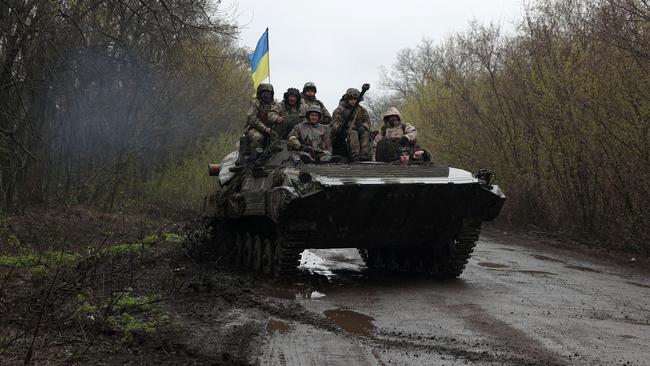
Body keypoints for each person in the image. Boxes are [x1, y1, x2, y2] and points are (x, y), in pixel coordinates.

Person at [331, 88, 371, 162]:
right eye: (351, 99)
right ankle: (355, 156)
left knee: (365, 133)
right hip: (343, 135)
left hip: (359, 131)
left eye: (355, 99)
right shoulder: (340, 110)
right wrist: (343, 127)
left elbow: (367, 121)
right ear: (347, 99)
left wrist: (363, 127)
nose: (353, 101)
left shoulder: (362, 110)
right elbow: (334, 124)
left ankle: (364, 155)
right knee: (353, 133)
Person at [245, 83, 280, 150]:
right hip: (256, 128)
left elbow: (278, 116)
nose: (267, 94)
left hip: (271, 129)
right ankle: (255, 157)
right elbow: (252, 119)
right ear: (260, 93)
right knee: (258, 137)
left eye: (269, 92)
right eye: (265, 92)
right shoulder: (255, 103)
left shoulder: (275, 104)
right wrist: (264, 128)